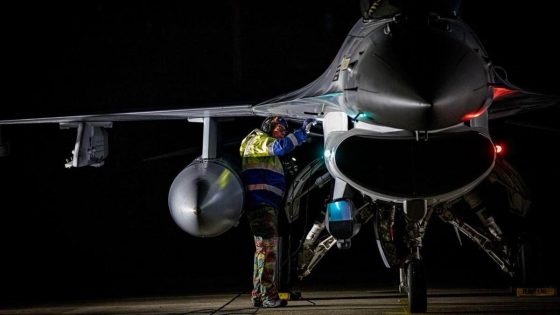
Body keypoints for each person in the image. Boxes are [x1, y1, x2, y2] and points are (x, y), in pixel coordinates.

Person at [240, 116, 315, 308]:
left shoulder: (262, 145)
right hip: (261, 204)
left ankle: (258, 294)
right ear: (267, 126)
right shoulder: (256, 139)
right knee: (268, 251)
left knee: (262, 251)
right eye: (280, 128)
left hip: (265, 205)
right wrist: (300, 134)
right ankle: (268, 296)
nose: (282, 132)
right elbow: (280, 146)